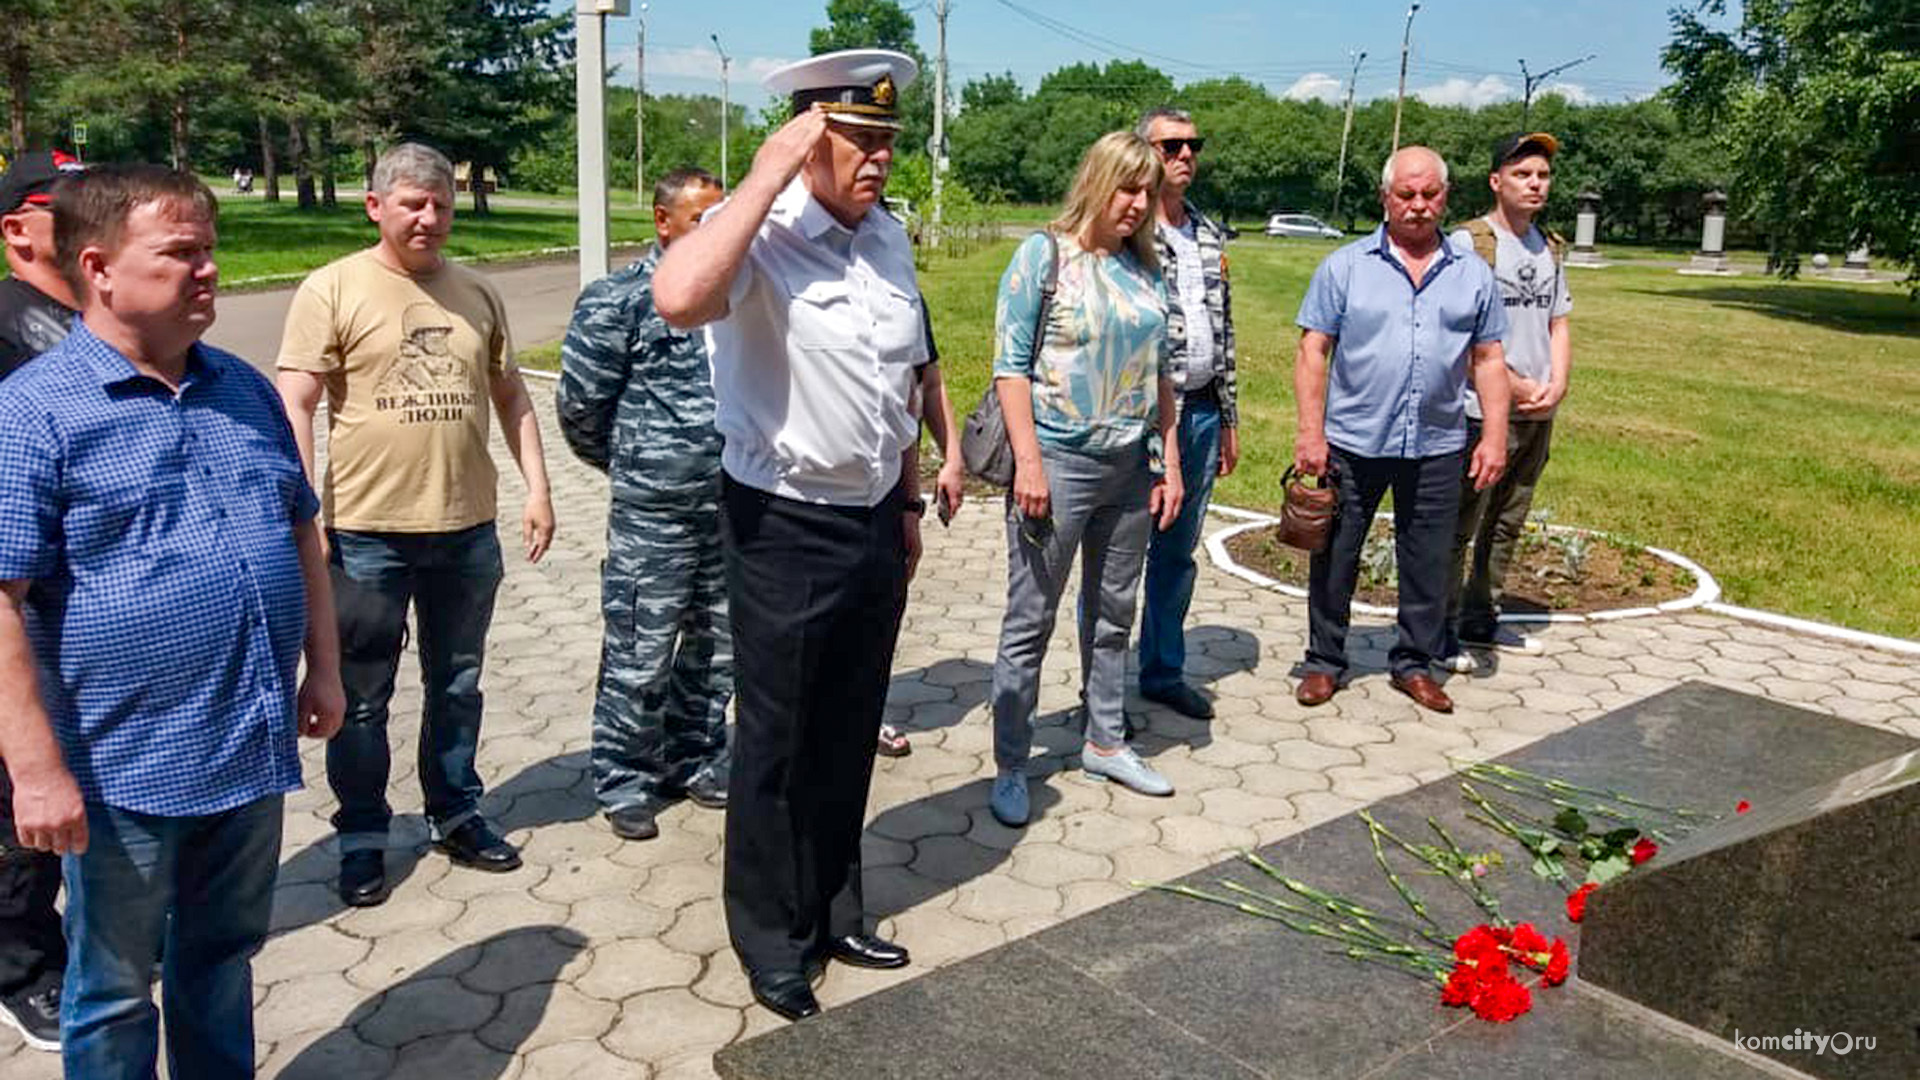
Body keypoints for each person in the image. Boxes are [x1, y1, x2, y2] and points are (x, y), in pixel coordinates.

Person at [0, 163, 343, 1078]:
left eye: (211, 251)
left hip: (249, 742)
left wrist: (325, 667)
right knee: (113, 989)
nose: (209, 271)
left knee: (222, 958)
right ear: (99, 266)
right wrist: (34, 772)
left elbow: (300, 529)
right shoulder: (34, 412)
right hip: (121, 769)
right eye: (181, 253)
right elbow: (1, 596)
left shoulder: (244, 389)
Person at [653, 49, 927, 1023]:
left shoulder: (887, 241)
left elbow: (899, 377)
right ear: (807, 139)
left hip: (869, 523)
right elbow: (679, 299)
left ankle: (832, 909)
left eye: (886, 143)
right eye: (856, 140)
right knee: (777, 736)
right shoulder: (758, 236)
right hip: (782, 523)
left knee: (850, 726)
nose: (878, 161)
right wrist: (764, 175)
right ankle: (770, 938)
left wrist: (905, 498)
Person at [276, 142, 556, 908]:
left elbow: (512, 396)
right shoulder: (333, 289)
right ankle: (362, 829)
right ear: (377, 207)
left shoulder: (476, 293)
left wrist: (538, 489)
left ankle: (455, 809)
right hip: (366, 533)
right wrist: (306, 509)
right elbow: (295, 401)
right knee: (362, 692)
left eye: (440, 203)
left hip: (467, 528)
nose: (429, 217)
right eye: (411, 203)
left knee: (458, 682)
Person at [987, 131, 1185, 829]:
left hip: (1129, 469)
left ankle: (1105, 739)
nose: (1137, 205)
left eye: (1148, 192)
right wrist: (1030, 464)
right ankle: (1012, 761)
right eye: (1127, 189)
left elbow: (1161, 375)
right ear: (1096, 181)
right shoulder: (1045, 257)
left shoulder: (1146, 270)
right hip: (1059, 465)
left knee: (1112, 615)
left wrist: (1168, 461)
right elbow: (1010, 367)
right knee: (1030, 620)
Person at [1291, 146, 1510, 715]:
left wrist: (1492, 437)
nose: (1418, 206)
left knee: (1429, 559)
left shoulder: (1472, 275)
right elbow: (1314, 350)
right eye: (1406, 195)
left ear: (1446, 197)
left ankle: (1414, 663)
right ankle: (1325, 662)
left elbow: (1488, 359)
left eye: (1429, 195)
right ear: (1385, 198)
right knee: (1337, 554)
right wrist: (1310, 433)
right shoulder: (1345, 267)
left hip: (1438, 442)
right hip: (1354, 439)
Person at [557, 166, 731, 842]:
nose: (713, 232)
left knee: (717, 649)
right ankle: (623, 774)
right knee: (640, 647)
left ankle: (695, 756)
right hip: (652, 513)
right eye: (698, 220)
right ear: (663, 222)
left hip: (728, 507)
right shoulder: (621, 299)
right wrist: (634, 463)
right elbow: (579, 407)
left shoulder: (736, 296)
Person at [0, 148, 84, 1053]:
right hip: (16, 603)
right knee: (17, 802)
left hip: (88, 616)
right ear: (17, 229)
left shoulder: (99, 319)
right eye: (65, 204)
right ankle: (24, 969)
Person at [1442, 133, 1574, 669]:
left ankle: (1481, 620)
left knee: (1507, 522)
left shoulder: (1550, 246)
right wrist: (1514, 386)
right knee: (1458, 525)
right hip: (1479, 413)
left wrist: (1556, 384)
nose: (1535, 184)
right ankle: (1441, 630)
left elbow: (1558, 321)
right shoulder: (1469, 244)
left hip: (1537, 413)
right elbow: (1457, 333)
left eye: (1542, 175)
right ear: (1496, 181)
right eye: (1523, 174)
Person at [1134, 107, 1239, 721]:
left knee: (1176, 552)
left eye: (1193, 145)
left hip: (1199, 413)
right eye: (1171, 144)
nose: (1185, 155)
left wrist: (1228, 417)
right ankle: (1100, 689)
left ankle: (1162, 670)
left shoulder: (1206, 232)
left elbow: (1224, 330)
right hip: (1139, 418)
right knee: (1119, 556)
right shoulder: (1127, 227)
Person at [877, 303, 965, 760]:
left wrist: (948, 460)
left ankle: (864, 712)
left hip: (887, 489)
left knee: (879, 610)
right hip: (805, 498)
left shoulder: (900, 285)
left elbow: (923, 382)